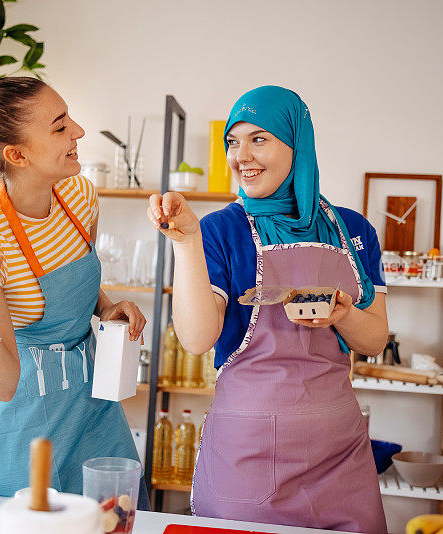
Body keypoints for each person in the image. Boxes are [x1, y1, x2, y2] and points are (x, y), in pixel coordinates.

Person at [147, 86, 388, 532]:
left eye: (259, 139)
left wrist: (344, 315)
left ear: (297, 143)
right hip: (251, 451)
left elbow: (373, 341)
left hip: (338, 450)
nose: (242, 156)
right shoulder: (220, 229)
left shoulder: (352, 229)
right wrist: (186, 242)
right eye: (233, 143)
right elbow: (198, 339)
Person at [0, 77, 149, 506]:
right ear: (17, 154)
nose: (79, 132)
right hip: (26, 425)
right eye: (59, 126)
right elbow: (0, 385)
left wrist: (106, 307)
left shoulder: (80, 195)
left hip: (93, 410)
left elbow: (77, 272)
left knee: (114, 517)